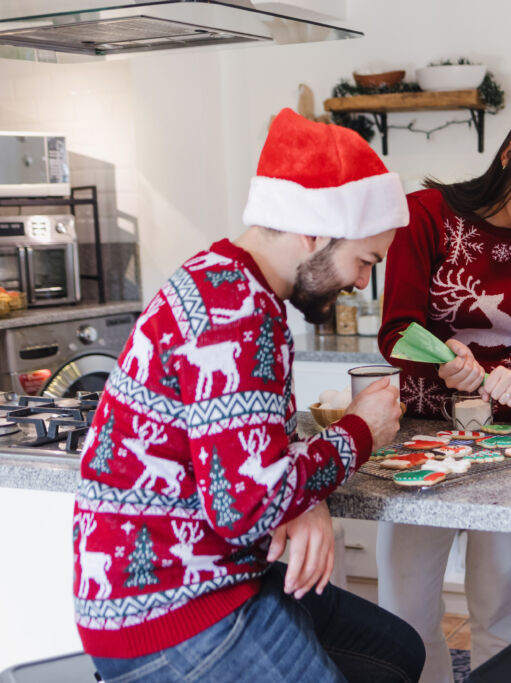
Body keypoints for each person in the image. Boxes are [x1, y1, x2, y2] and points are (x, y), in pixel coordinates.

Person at [73, 108, 424, 683]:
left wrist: (308, 497)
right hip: (174, 609)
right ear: (313, 231)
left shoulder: (227, 279)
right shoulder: (238, 311)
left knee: (396, 653)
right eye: (365, 261)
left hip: (209, 579)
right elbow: (247, 506)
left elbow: (249, 452)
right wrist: (361, 431)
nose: (363, 283)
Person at [376, 104, 511, 681]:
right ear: (510, 156)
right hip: (423, 438)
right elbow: (397, 327)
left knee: (500, 610)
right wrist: (444, 356)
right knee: (406, 611)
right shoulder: (426, 215)